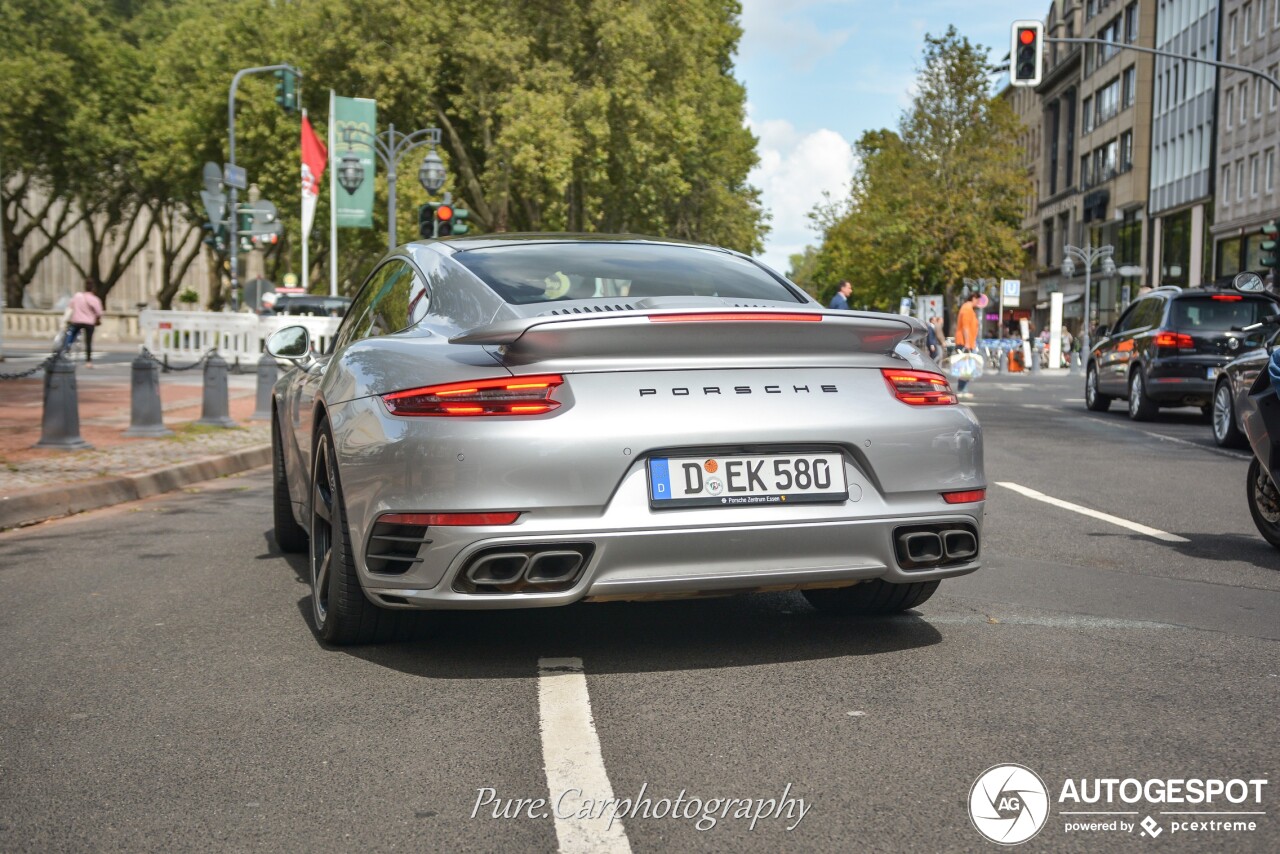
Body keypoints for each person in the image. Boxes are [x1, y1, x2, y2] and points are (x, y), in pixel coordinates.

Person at [64, 277, 104, 367]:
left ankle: (65, 351)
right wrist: (97, 319)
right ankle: (88, 361)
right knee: (88, 341)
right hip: (89, 322)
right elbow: (99, 312)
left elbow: (70, 306)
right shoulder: (94, 299)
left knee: (71, 335)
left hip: (77, 320)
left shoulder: (77, 296)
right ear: (93, 288)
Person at [954, 292, 980, 398]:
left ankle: (963, 389)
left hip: (966, 342)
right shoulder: (967, 309)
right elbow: (965, 327)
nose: (978, 303)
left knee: (966, 367)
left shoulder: (967, 309)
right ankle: (962, 390)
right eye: (978, 300)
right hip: (965, 343)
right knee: (966, 368)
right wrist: (968, 343)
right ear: (973, 298)